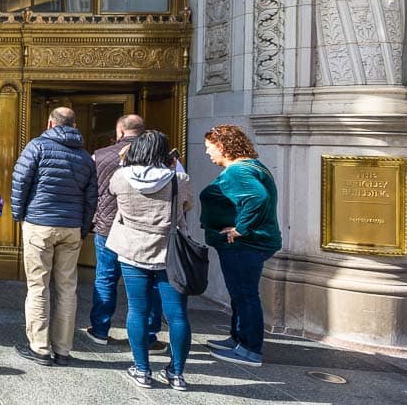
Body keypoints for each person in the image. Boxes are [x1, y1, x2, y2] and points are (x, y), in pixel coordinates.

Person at [106, 131, 193, 390]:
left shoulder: (121, 176)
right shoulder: (179, 179)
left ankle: (142, 369)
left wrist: (124, 162)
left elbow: (112, 192)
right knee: (177, 315)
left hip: (132, 248)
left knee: (137, 310)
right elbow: (187, 206)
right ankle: (176, 373)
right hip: (169, 253)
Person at [10, 107, 97, 366]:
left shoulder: (37, 146)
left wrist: (19, 215)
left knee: (38, 286)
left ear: (50, 122)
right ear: (74, 123)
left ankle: (39, 347)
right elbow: (91, 198)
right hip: (71, 227)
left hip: (40, 223)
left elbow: (20, 181)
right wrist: (82, 229)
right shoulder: (84, 156)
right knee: (67, 289)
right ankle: (63, 350)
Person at [200, 124, 282, 367]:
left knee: (245, 295)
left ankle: (249, 349)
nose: (207, 153)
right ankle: (238, 338)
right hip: (249, 243)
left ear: (223, 147)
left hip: (246, 244)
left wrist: (240, 229)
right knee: (240, 294)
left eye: (209, 148)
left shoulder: (238, 171)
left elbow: (257, 197)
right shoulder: (251, 166)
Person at [87, 114, 164, 351]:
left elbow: (92, 192)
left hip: (108, 227)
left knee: (106, 277)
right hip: (150, 230)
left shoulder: (99, 156)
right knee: (150, 281)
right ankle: (149, 335)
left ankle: (100, 329)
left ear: (120, 132)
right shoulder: (163, 160)